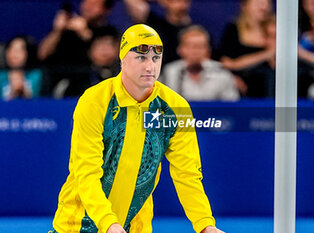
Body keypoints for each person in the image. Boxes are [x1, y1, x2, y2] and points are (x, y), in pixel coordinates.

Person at [51, 24, 225, 233]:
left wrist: (205, 225)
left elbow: (187, 174)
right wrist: (109, 224)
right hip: (77, 225)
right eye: (141, 57)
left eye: (155, 58)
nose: (150, 66)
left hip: (136, 227)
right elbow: (86, 171)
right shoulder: (95, 101)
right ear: (123, 58)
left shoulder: (175, 108)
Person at [38, 0, 116, 97]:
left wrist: (84, 33)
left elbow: (103, 57)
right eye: (86, 2)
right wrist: (57, 31)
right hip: (65, 85)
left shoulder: (109, 32)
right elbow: (42, 54)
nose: (88, 7)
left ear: (106, 10)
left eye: (94, 4)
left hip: (93, 82)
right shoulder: (68, 30)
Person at [161, 25, 240, 101]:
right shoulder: (170, 72)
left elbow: (231, 107)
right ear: (179, 49)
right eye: (190, 46)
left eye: (200, 46)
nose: (195, 51)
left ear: (209, 50)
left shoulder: (222, 73)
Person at [219, 0, 275, 98]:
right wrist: (266, 54)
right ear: (245, 6)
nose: (264, 8)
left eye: (267, 4)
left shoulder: (275, 30)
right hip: (243, 89)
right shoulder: (233, 29)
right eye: (259, 4)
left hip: (271, 87)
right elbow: (227, 63)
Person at [123, 0, 193, 64]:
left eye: (185, 1)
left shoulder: (193, 30)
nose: (181, 6)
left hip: (181, 73)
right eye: (175, 1)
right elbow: (134, 3)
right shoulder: (156, 23)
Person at [0, 36, 42, 100]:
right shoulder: (1, 76)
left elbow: (39, 102)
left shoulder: (36, 75)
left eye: (20, 49)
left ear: (27, 53)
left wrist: (22, 90)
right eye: (11, 48)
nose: (14, 53)